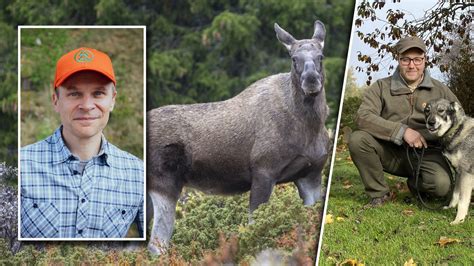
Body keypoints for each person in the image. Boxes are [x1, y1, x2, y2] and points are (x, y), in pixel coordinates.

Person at [20, 47, 144, 238]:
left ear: (112, 100)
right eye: (74, 94)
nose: (86, 106)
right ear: (55, 100)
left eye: (98, 94)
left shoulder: (138, 174)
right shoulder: (21, 167)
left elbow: (159, 251)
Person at [349, 36, 459, 207]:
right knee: (358, 139)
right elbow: (363, 117)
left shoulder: (440, 89)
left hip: (427, 153)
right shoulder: (380, 87)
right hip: (389, 151)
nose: (412, 65)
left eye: (417, 59)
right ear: (398, 59)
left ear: (425, 60)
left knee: (441, 186)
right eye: (406, 59)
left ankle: (416, 184)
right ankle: (379, 194)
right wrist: (401, 131)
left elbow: (459, 120)